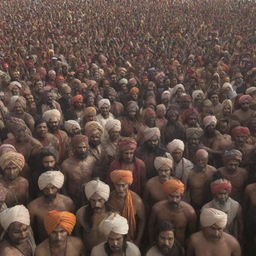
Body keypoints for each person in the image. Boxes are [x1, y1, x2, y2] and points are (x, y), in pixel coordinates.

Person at [28, 171, 75, 243]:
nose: (50, 192)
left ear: (58, 187)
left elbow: (72, 227)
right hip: (43, 243)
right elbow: (29, 231)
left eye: (53, 188)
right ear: (42, 188)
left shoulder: (68, 203)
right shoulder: (33, 206)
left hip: (65, 242)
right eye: (46, 189)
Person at [149, 179, 196, 245]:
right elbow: (150, 227)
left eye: (177, 197)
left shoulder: (189, 212)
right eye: (171, 196)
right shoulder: (157, 209)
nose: (174, 200)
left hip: (180, 245)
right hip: (161, 245)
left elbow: (191, 233)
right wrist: (152, 242)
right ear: (166, 195)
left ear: (181, 197)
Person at [76, 179, 114, 253]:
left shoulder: (113, 216)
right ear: (89, 199)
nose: (96, 204)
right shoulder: (81, 213)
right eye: (93, 200)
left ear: (105, 199)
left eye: (100, 200)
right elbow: (77, 232)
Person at [108, 170, 145, 245]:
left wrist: (137, 241)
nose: (120, 189)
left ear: (128, 185)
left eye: (123, 185)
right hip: (112, 238)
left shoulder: (137, 201)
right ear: (113, 185)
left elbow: (142, 220)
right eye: (117, 185)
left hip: (130, 238)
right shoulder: (109, 199)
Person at [61, 135, 96, 207]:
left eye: (84, 147)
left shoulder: (92, 161)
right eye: (79, 148)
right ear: (74, 148)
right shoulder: (66, 164)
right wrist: (67, 200)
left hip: (90, 197)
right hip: (73, 198)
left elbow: (96, 179)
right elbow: (63, 186)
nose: (82, 150)